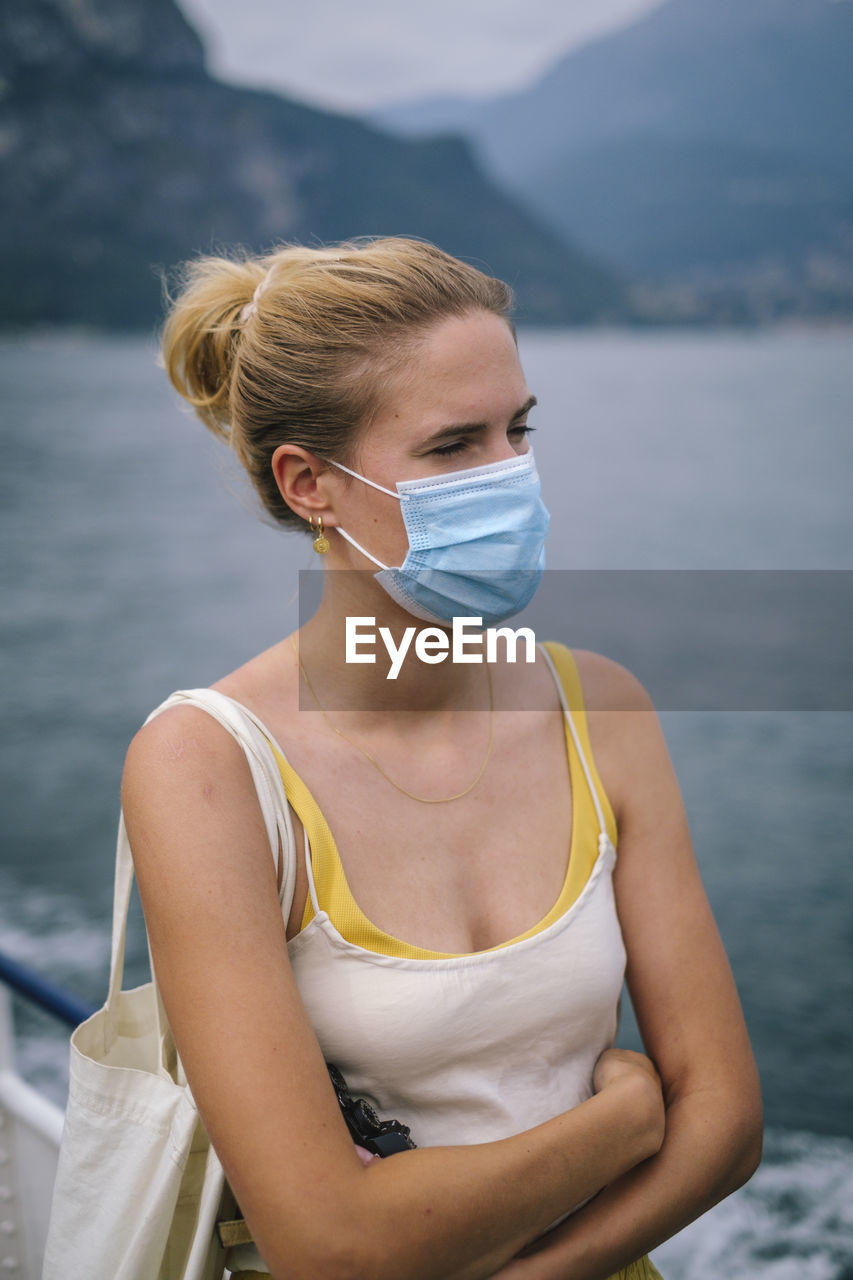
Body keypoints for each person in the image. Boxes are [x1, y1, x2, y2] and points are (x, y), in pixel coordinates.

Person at [123, 237, 762, 1280]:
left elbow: (728, 1119)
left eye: (519, 429)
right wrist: (621, 1119)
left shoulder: (598, 706)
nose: (510, 474)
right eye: (455, 444)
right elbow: (328, 1243)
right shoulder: (205, 765)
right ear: (310, 484)